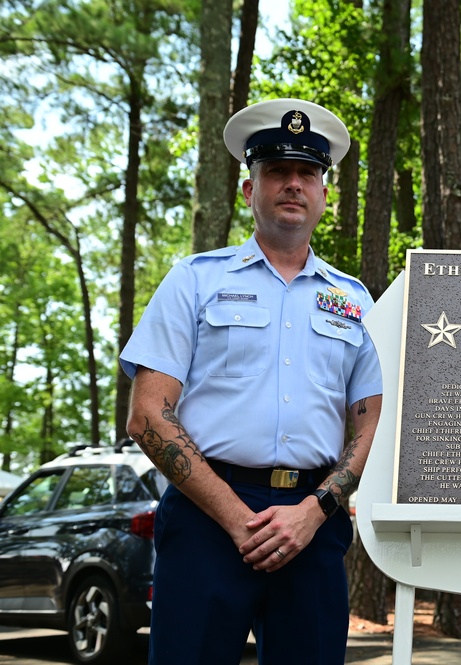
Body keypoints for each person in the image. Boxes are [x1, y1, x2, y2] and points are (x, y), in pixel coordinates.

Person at [120, 98, 383, 665]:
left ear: (324, 194)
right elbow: (147, 414)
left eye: (307, 173)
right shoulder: (193, 281)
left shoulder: (354, 300)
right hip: (205, 521)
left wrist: (313, 513)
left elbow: (369, 424)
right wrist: (241, 521)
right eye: (277, 172)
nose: (294, 184)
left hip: (311, 530)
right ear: (248, 190)